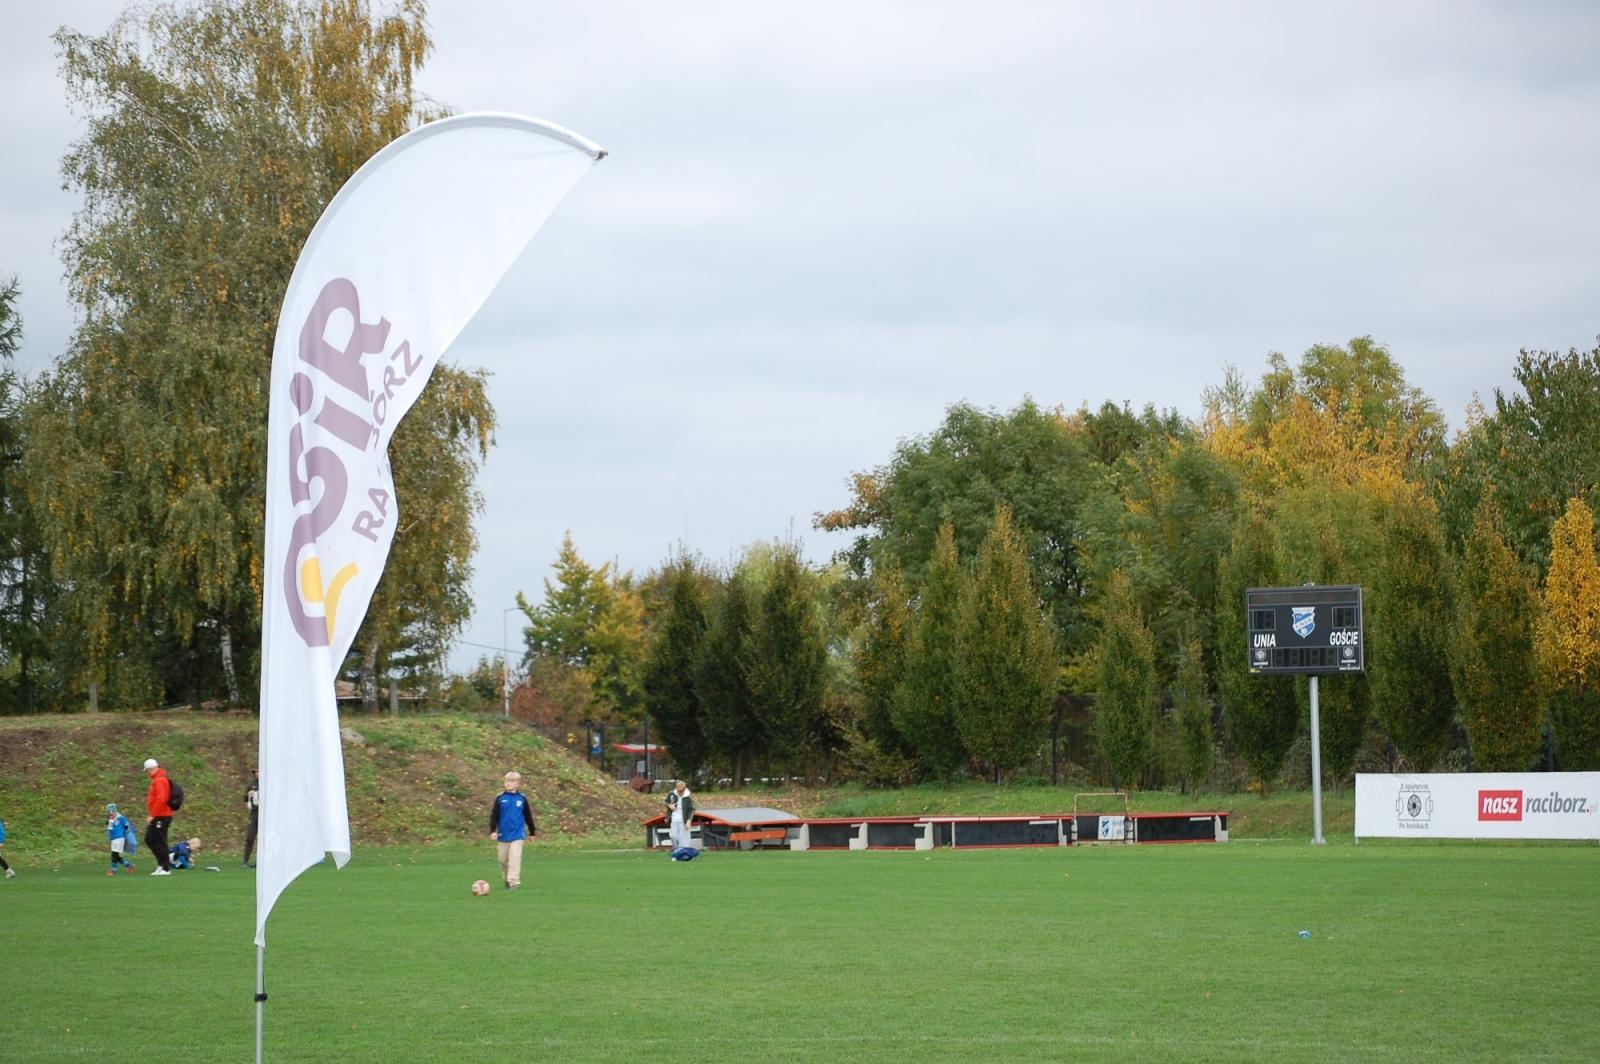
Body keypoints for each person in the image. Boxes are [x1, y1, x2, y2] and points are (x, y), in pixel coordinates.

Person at [487, 770, 537, 890]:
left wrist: (532, 832)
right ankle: (507, 878)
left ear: (517, 784)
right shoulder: (500, 798)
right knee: (503, 860)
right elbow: (494, 815)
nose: (508, 783)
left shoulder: (522, 799)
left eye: (511, 781)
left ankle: (514, 882)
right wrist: (493, 830)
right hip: (503, 834)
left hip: (517, 834)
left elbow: (528, 816)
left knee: (515, 858)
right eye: (507, 781)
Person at [144, 757, 174, 875]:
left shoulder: (160, 780)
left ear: (151, 769)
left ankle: (166, 867)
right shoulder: (157, 780)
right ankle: (161, 864)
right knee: (150, 839)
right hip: (158, 815)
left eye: (147, 770)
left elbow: (161, 799)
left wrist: (152, 814)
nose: (147, 773)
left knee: (160, 840)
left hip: (162, 815)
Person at [106, 803, 136, 875]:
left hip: (119, 838)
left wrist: (127, 835)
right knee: (115, 855)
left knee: (114, 855)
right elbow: (110, 828)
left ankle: (113, 871)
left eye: (111, 812)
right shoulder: (110, 819)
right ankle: (129, 865)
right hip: (113, 839)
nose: (110, 813)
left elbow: (127, 826)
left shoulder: (121, 818)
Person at [669, 779, 695, 850]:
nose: (680, 793)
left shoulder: (688, 797)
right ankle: (676, 850)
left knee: (684, 838)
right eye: (678, 791)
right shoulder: (672, 794)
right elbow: (666, 802)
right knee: (673, 836)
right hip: (674, 818)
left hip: (684, 819)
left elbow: (692, 809)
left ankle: (683, 852)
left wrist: (689, 821)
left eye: (681, 791)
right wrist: (670, 806)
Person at [243, 768, 260, 868]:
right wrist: (248, 794)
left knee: (264, 839)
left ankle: (261, 861)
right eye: (256, 772)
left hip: (264, 814)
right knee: (250, 837)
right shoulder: (251, 784)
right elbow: (244, 799)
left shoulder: (269, 783)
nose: (257, 774)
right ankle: (245, 860)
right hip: (254, 814)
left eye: (258, 771)